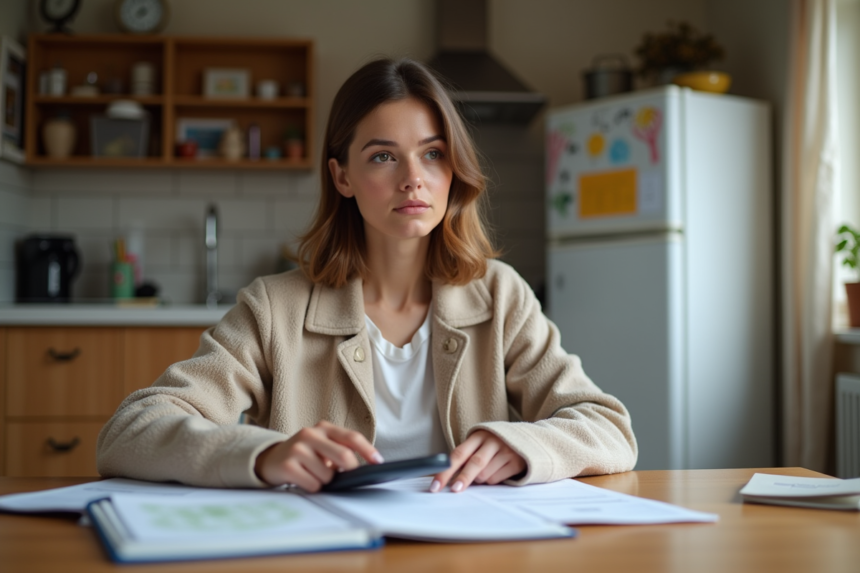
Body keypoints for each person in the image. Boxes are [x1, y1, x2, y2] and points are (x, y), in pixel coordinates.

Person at [96, 58, 637, 494]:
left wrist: (524, 446)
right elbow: (129, 431)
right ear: (343, 176)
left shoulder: (501, 296)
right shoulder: (273, 308)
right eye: (383, 156)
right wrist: (263, 454)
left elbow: (609, 428)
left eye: (433, 154)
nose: (413, 180)